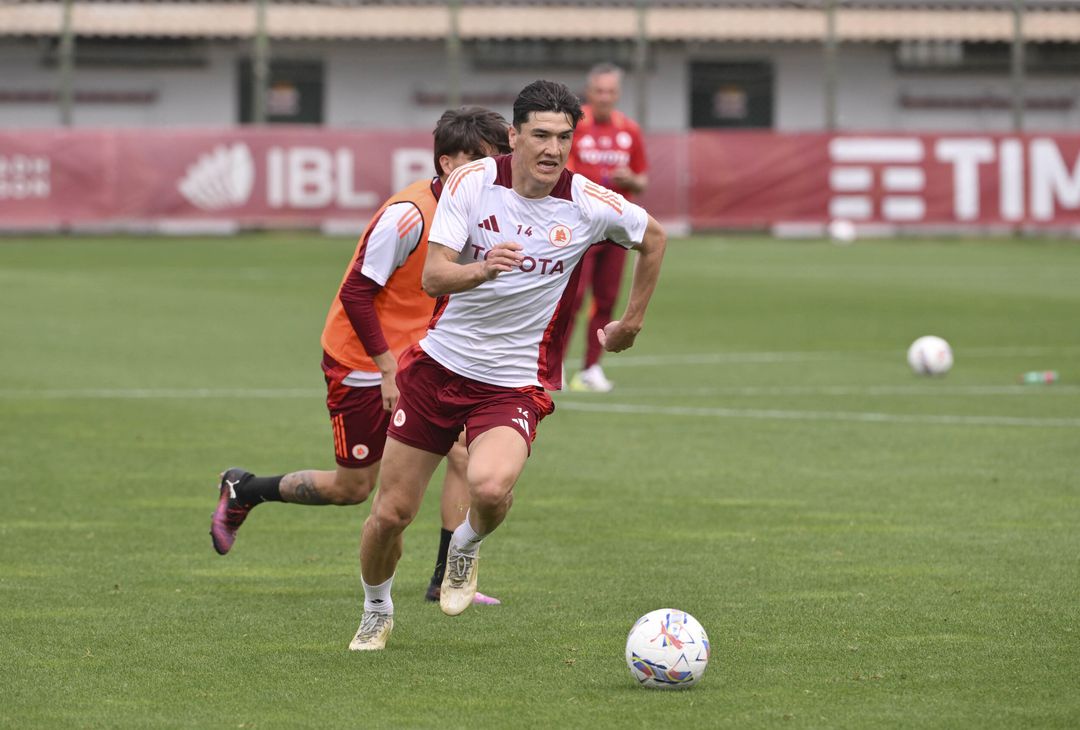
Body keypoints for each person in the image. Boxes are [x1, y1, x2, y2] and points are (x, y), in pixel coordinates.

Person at [348, 79, 667, 651]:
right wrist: (484, 268)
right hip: (438, 367)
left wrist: (631, 322)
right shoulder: (472, 183)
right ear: (514, 137)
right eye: (540, 135)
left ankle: (465, 546)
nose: (552, 149)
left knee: (490, 489)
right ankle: (376, 609)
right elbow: (433, 276)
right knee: (391, 514)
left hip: (513, 381)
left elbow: (655, 237)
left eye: (564, 138)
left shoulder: (589, 203)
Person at [209, 106, 512, 606]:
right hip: (362, 363)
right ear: (444, 163)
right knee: (352, 489)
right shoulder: (408, 215)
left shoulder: (479, 207)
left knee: (463, 451)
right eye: (476, 159)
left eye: (495, 158)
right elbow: (355, 294)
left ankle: (445, 579)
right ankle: (245, 489)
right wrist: (388, 368)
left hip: (421, 356)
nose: (488, 169)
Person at [565, 63, 649, 393]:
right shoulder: (574, 127)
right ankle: (551, 366)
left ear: (618, 95)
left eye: (610, 91)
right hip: (580, 226)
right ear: (589, 92)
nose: (604, 97)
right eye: (599, 91)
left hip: (617, 228)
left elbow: (642, 180)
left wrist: (631, 180)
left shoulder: (629, 130)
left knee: (607, 298)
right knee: (571, 298)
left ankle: (590, 368)